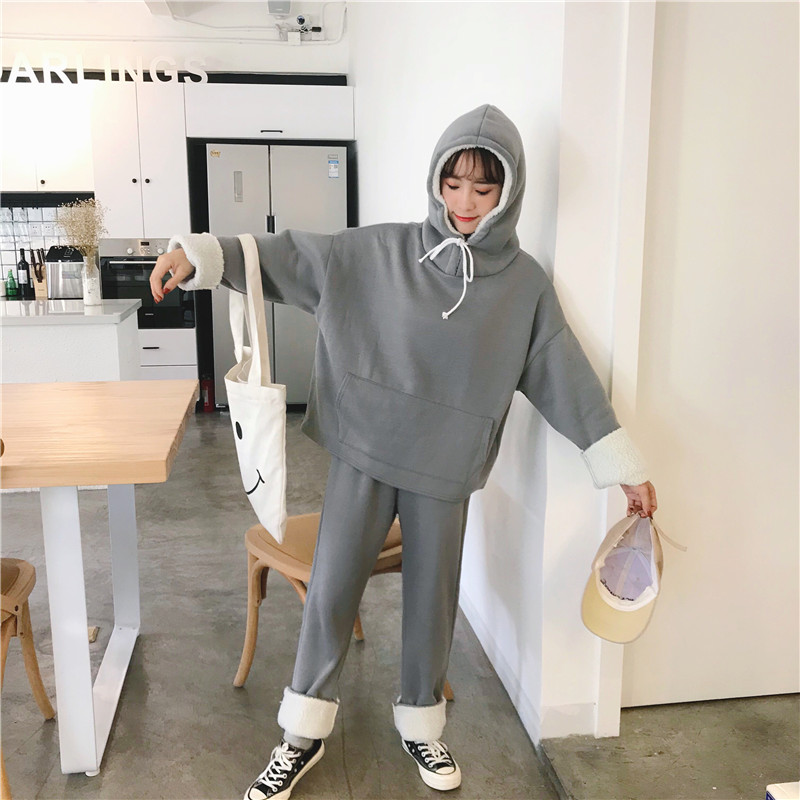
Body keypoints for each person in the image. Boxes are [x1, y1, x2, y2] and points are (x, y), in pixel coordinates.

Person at [149, 105, 657, 800]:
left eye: (484, 188)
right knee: (331, 590)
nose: (466, 202)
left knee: (432, 601)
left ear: (509, 192)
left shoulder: (524, 287)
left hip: (445, 468)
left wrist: (621, 468)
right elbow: (291, 255)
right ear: (436, 180)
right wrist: (203, 256)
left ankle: (422, 723)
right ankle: (301, 734)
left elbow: (563, 376)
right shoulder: (379, 252)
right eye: (454, 183)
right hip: (365, 450)